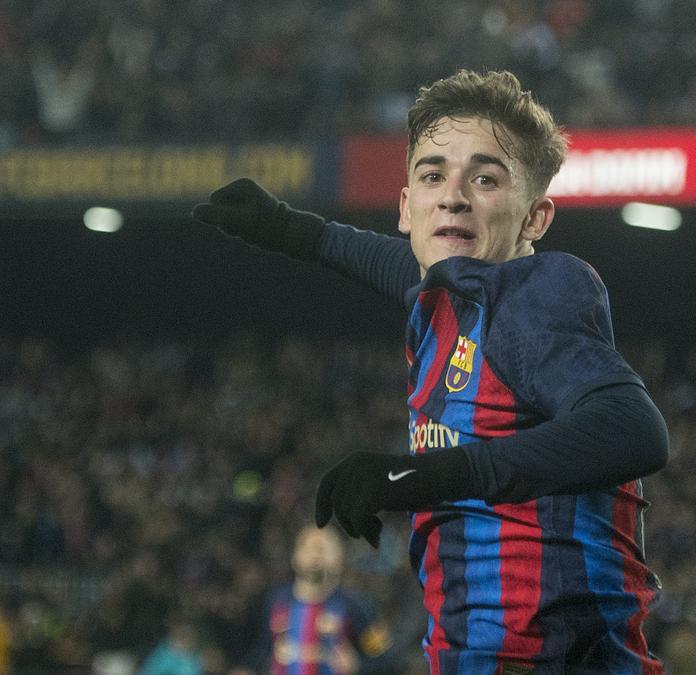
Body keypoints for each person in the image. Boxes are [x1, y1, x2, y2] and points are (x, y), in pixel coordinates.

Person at [193, 69, 670, 673]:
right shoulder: (442, 295)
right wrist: (291, 228)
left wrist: (418, 476)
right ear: (406, 207)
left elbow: (632, 428)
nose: (453, 195)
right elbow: (385, 260)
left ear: (535, 220)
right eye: (433, 174)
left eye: (486, 178)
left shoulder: (535, 295)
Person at [231, 526, 395, 675]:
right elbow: (265, 648)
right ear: (295, 557)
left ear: (339, 559)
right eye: (308, 547)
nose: (315, 553)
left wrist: (359, 665)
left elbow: (385, 658)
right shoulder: (276, 601)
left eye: (322, 548)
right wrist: (246, 669)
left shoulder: (356, 605)